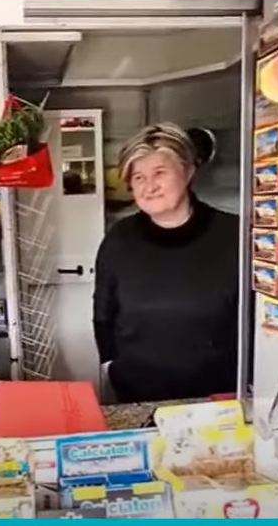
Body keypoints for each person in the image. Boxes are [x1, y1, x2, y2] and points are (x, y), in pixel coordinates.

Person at [93, 123, 240, 403]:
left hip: (218, 396)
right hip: (136, 393)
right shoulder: (119, 239)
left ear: (187, 171)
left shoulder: (233, 235)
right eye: (138, 177)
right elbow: (103, 313)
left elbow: (257, 316)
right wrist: (110, 366)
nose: (149, 187)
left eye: (160, 173)